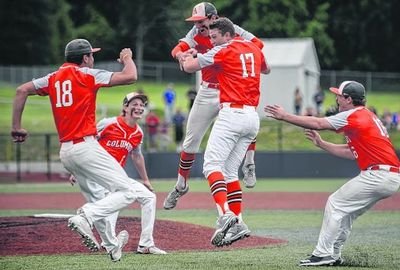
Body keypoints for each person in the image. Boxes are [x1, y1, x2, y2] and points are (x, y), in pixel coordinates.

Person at [11, 38, 142, 262]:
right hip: (86, 146)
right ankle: (85, 217)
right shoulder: (87, 74)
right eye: (91, 55)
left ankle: (111, 245)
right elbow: (130, 77)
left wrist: (16, 127)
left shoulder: (52, 78)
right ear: (84, 58)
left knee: (97, 197)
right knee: (128, 192)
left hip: (67, 152)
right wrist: (128, 58)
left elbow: (21, 90)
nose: (93, 59)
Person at [264, 81, 400, 266]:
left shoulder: (352, 115)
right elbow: (351, 152)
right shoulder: (366, 115)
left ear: (348, 99)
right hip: (389, 176)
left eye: (339, 95)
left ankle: (323, 254)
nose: (336, 98)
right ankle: (333, 254)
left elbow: (319, 123)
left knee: (335, 203)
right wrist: (322, 144)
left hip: (378, 175)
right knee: (346, 213)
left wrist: (285, 115)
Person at [164, 1, 265, 211]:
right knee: (191, 141)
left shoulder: (230, 30)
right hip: (209, 90)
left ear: (213, 17)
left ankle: (250, 164)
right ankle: (181, 184)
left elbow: (258, 45)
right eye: (196, 21)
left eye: (201, 20)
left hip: (231, 91)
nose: (198, 25)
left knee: (246, 114)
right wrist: (180, 55)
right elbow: (177, 49)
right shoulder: (196, 33)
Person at [180, 17, 270, 247]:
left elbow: (190, 67)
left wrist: (186, 56)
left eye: (215, 36)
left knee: (210, 166)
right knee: (230, 172)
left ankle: (225, 215)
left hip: (232, 113)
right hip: (252, 117)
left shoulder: (223, 50)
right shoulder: (253, 47)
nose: (212, 41)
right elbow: (267, 68)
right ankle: (238, 222)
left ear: (228, 34)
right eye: (210, 38)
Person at [70, 92, 166, 255]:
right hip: (98, 174)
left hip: (117, 177)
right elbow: (86, 143)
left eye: (142, 105)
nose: (139, 107)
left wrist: (146, 180)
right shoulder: (108, 123)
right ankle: (90, 221)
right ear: (125, 107)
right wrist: (77, 168)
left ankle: (145, 245)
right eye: (134, 103)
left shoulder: (138, 132)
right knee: (111, 210)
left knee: (149, 197)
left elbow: (136, 155)